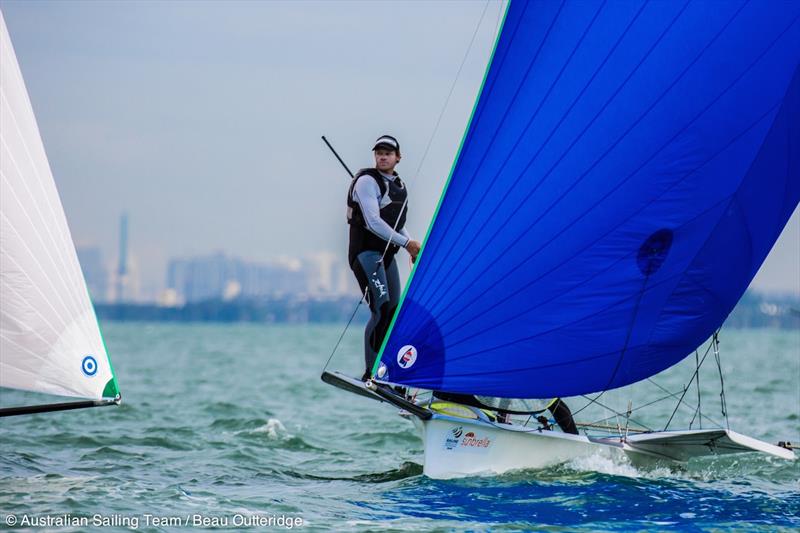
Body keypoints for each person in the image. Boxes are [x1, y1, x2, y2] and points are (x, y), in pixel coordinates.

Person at [347, 135, 421, 380]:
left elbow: (397, 224)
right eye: (379, 152)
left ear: (398, 158)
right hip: (366, 254)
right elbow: (373, 222)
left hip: (386, 255)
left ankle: (386, 371)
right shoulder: (367, 181)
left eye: (388, 153)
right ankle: (370, 374)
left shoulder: (398, 185)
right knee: (379, 309)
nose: (382, 156)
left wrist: (413, 246)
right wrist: (407, 244)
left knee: (393, 310)